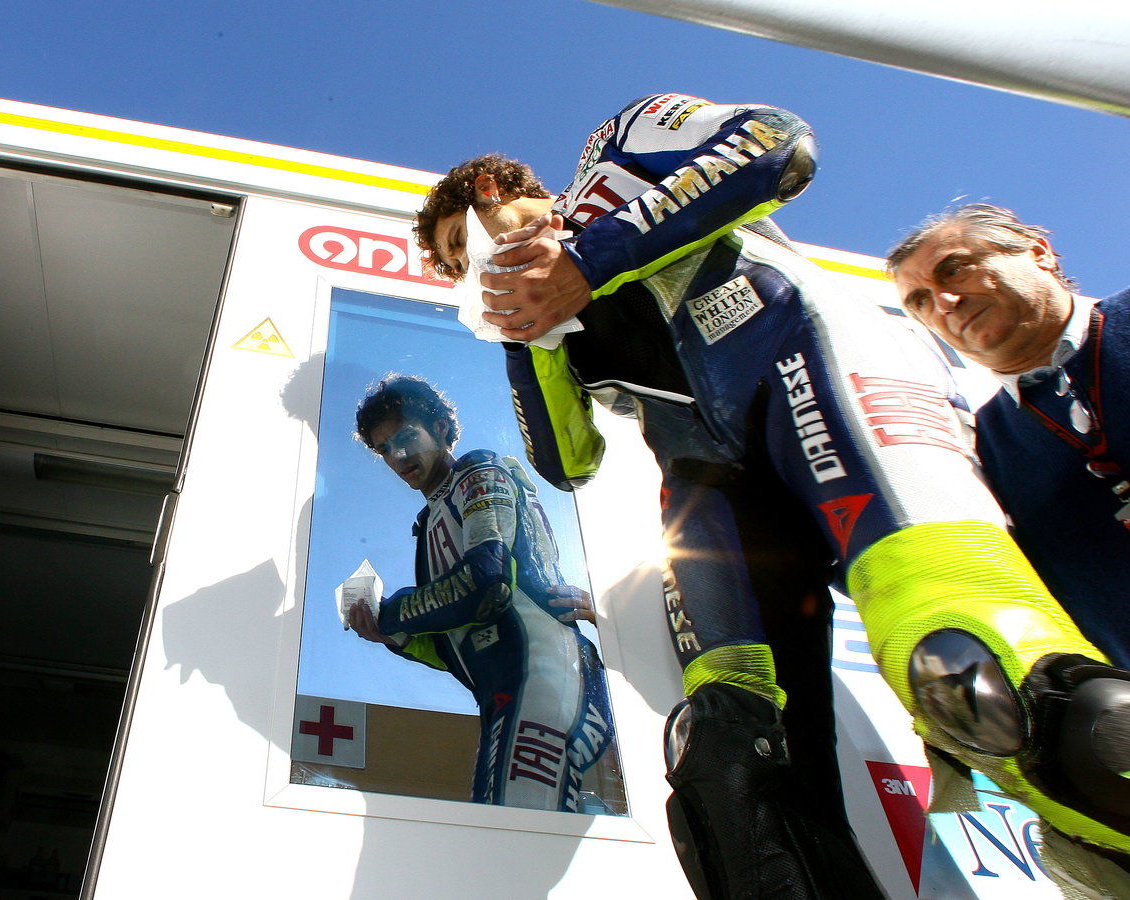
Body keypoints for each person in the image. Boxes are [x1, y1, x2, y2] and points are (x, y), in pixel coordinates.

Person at [414, 94, 1130, 897]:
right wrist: (526, 340)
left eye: (459, 242)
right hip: (707, 483)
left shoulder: (615, 145)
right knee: (734, 763)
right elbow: (567, 463)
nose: (467, 264)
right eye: (455, 266)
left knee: (963, 659)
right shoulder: (538, 320)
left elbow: (777, 143)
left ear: (490, 191)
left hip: (813, 358)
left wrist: (588, 262)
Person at [347, 375, 614, 813]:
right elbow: (457, 646)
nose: (398, 456)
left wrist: (392, 614)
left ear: (441, 428)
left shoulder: (478, 473)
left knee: (520, 824)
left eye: (406, 437)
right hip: (505, 692)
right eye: (385, 449)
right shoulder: (430, 522)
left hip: (547, 674)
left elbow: (485, 585)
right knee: (509, 823)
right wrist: (391, 635)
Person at [889, 204, 1130, 666]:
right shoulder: (980, 455)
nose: (945, 303)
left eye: (954, 269)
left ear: (1039, 253)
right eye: (920, 301)